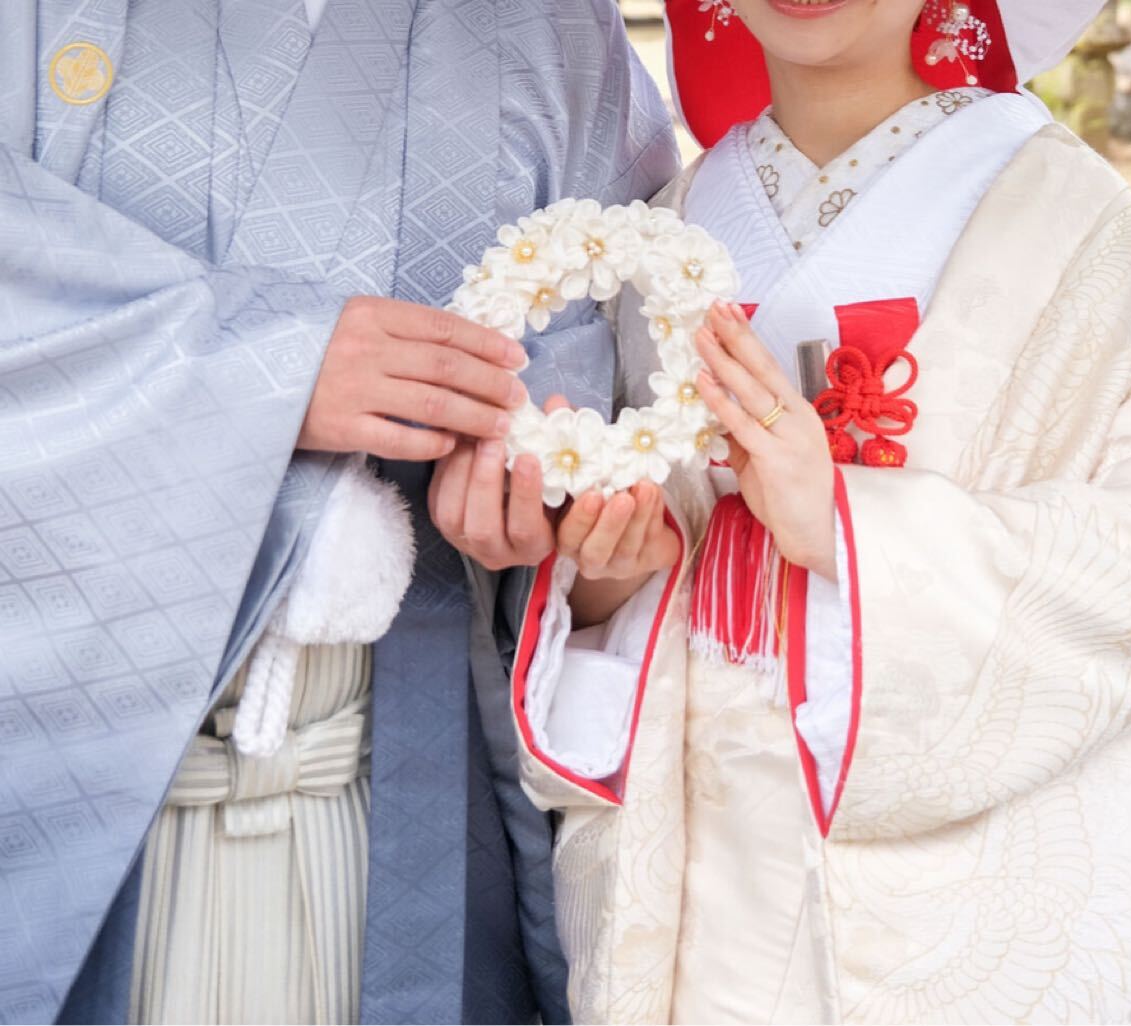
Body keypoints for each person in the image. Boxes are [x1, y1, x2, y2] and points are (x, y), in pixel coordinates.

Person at [507, 0, 1131, 1022]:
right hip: (700, 891)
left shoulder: (1077, 221)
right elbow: (633, 578)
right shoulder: (666, 225)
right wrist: (615, 574)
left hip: (958, 910)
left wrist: (846, 524)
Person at [0, 1, 677, 1022]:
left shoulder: (551, 32)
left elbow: (604, 381)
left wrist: (551, 519)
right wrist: (263, 365)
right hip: (75, 789)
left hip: (401, 796)